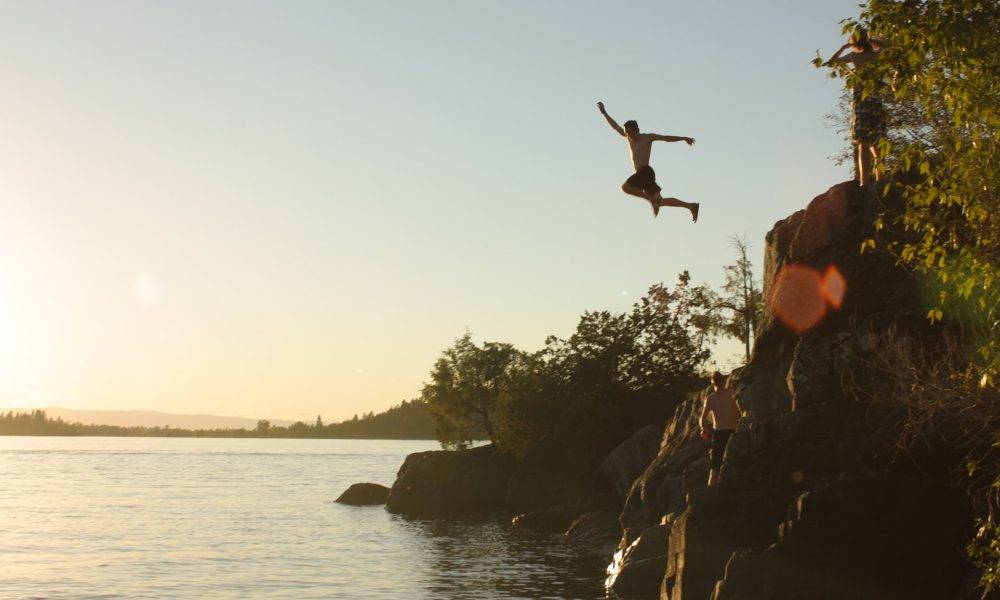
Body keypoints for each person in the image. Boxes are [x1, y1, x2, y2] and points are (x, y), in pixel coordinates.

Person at [597, 101, 699, 221]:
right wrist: (604, 112)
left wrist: (683, 138)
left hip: (645, 172)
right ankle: (691, 206)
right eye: (627, 133)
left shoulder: (647, 138)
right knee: (660, 202)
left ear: (637, 130)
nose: (629, 136)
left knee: (625, 188)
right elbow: (615, 126)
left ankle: (651, 200)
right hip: (644, 176)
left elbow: (666, 138)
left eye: (630, 133)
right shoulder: (629, 139)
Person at [823, 28, 886, 188]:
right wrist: (872, 41)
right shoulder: (875, 55)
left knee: (863, 140)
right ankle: (880, 177)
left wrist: (844, 47)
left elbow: (830, 63)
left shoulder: (854, 56)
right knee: (876, 140)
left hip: (861, 98)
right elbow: (887, 48)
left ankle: (865, 182)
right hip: (875, 98)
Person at [699, 371, 740, 487]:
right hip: (735, 432)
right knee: (736, 462)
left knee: (715, 467)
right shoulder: (732, 393)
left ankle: (711, 493)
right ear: (724, 381)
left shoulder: (711, 398)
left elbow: (702, 419)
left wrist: (703, 430)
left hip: (719, 434)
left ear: (713, 384)